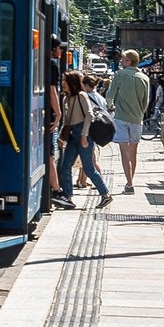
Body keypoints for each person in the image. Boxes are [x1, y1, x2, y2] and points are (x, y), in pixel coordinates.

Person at [57, 70, 112, 209]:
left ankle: (105, 194)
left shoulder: (81, 95)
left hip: (83, 133)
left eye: (64, 80)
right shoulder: (66, 98)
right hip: (72, 134)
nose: (62, 83)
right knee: (65, 166)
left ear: (71, 82)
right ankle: (68, 197)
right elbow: (66, 120)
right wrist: (62, 136)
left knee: (88, 168)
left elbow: (89, 115)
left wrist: (84, 135)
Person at [107, 50, 150, 195]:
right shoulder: (144, 78)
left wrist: (110, 105)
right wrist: (140, 112)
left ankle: (129, 183)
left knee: (123, 150)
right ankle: (131, 180)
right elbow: (146, 101)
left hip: (121, 116)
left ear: (129, 61)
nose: (121, 62)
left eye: (123, 60)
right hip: (137, 118)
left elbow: (110, 95)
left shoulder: (120, 75)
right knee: (133, 151)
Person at [45, 36, 64, 206]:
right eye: (59, 48)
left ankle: (56, 188)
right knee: (50, 153)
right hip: (48, 117)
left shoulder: (41, 60)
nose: (61, 51)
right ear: (53, 49)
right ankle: (56, 190)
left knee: (50, 153)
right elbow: (52, 90)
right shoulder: (52, 64)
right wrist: (58, 113)